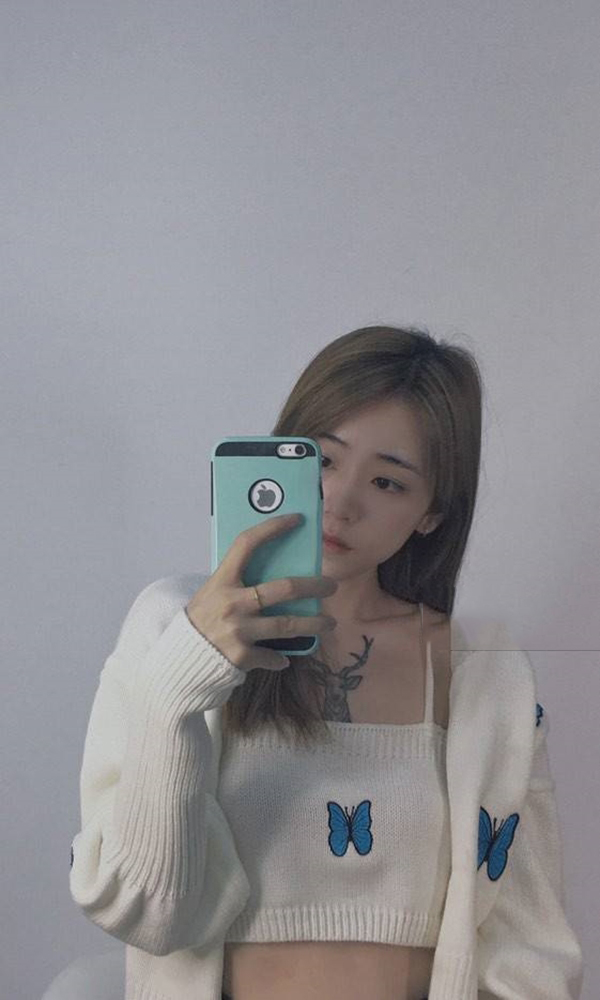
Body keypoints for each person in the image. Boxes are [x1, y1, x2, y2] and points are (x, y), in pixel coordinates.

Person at [69, 326, 583, 1000]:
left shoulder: (483, 674)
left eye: (388, 482)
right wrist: (179, 686)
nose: (339, 502)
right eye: (321, 460)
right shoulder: (172, 626)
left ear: (431, 514)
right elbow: (143, 912)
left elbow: (529, 948)